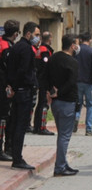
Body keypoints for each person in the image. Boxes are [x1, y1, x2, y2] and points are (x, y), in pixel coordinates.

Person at [46, 34, 80, 176]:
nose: (78, 47)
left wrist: (51, 91)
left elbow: (44, 75)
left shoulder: (53, 57)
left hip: (56, 103)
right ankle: (60, 167)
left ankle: (63, 163)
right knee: (65, 136)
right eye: (77, 44)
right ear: (72, 45)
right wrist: (58, 93)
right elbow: (71, 82)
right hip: (67, 102)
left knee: (62, 135)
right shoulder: (72, 62)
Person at [6, 22, 40, 170]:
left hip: (16, 91)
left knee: (14, 124)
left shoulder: (15, 47)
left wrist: (12, 86)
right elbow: (24, 71)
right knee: (21, 125)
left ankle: (14, 153)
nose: (37, 38)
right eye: (36, 34)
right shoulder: (26, 49)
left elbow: (10, 70)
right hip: (24, 92)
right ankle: (17, 158)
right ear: (28, 34)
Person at [74, 32, 92, 135]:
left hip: (78, 81)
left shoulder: (77, 50)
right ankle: (88, 129)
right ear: (90, 39)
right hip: (89, 82)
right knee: (90, 105)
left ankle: (76, 119)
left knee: (78, 104)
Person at [0, 20, 19, 161]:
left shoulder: (4, 43)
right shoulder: (7, 47)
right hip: (4, 87)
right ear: (16, 33)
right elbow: (9, 68)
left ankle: (8, 147)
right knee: (4, 118)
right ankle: (4, 149)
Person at [33, 31, 55, 135]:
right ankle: (41, 127)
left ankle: (37, 126)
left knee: (40, 103)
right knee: (44, 104)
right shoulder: (45, 51)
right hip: (44, 81)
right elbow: (46, 68)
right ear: (49, 39)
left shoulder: (39, 49)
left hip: (39, 80)